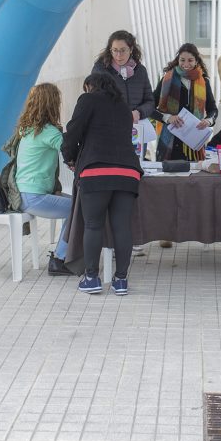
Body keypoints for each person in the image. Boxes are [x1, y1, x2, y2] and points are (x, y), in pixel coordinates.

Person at [61, 72, 142, 296]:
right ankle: (121, 281)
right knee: (122, 226)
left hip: (96, 169)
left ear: (90, 86)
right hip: (128, 171)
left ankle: (91, 278)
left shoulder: (88, 99)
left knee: (93, 225)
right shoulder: (124, 107)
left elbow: (73, 132)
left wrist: (71, 157)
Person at [13, 83, 74, 276]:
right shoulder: (48, 132)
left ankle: (66, 254)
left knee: (77, 204)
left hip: (23, 194)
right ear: (53, 104)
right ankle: (59, 259)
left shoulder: (28, 129)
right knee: (79, 208)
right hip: (34, 197)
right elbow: (70, 153)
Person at [152, 43, 218, 162]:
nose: (186, 64)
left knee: (193, 180)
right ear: (178, 60)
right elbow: (149, 107)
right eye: (182, 60)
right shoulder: (167, 79)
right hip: (170, 144)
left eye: (190, 60)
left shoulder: (204, 82)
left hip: (194, 143)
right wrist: (167, 117)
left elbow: (213, 109)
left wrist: (208, 121)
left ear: (196, 61)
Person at [92, 30, 155, 125]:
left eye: (123, 50)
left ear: (131, 49)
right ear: (110, 50)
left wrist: (139, 113)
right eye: (115, 50)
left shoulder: (140, 71)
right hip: (109, 127)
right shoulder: (100, 71)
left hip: (136, 129)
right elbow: (93, 101)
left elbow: (149, 102)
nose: (118, 55)